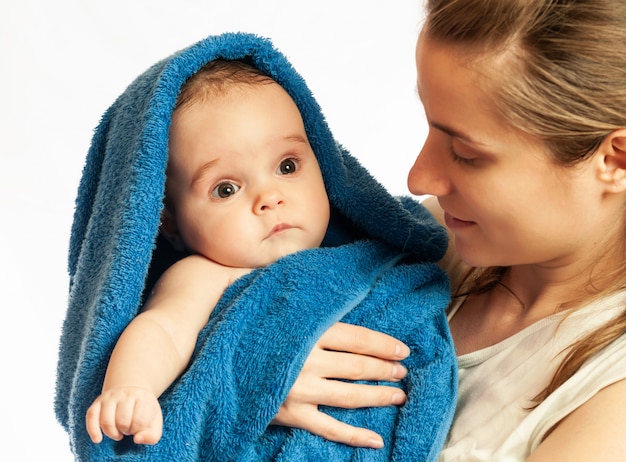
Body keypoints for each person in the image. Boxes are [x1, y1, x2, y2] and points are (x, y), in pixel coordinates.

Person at [274, 0, 626, 460]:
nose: (418, 179)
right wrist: (246, 377)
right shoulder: (425, 238)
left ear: (615, 161)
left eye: (466, 153)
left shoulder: (609, 406)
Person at [85, 59, 332, 445]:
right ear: (170, 222)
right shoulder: (206, 274)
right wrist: (131, 389)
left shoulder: (366, 257)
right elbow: (163, 331)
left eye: (287, 166)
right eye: (226, 189)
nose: (270, 198)